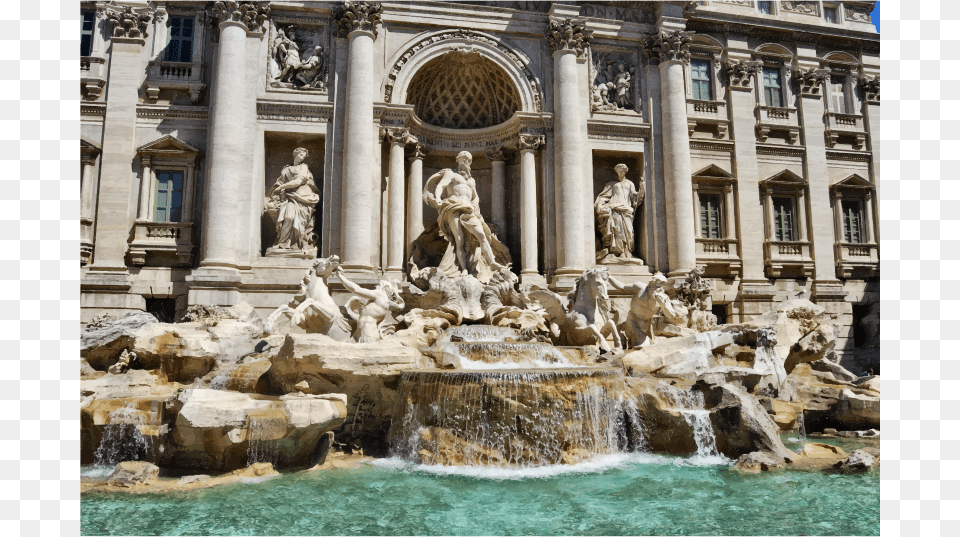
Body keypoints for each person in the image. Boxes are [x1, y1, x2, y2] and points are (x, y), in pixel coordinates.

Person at [424, 151, 504, 278]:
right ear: (458, 161)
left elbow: (475, 197)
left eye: (467, 161)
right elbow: (440, 186)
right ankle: (464, 269)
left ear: (470, 163)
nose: (464, 163)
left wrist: (475, 207)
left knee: (482, 235)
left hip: (469, 210)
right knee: (459, 240)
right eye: (462, 160)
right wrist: (438, 198)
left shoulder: (471, 181)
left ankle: (492, 262)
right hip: (453, 208)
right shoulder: (451, 174)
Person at [335, 266, 405, 343]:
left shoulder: (380, 294)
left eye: (379, 285)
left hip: (368, 331)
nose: (376, 286)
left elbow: (357, 289)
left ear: (385, 288)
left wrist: (340, 277)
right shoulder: (384, 302)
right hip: (361, 330)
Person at [268, 147, 319, 250]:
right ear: (295, 154)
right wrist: (277, 191)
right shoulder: (286, 169)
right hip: (289, 197)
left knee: (295, 220)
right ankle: (283, 243)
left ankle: (297, 244)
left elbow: (298, 182)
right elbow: (280, 181)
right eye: (301, 155)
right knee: (289, 217)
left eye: (304, 156)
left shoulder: (304, 167)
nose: (302, 157)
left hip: (302, 197)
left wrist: (281, 187)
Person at [595, 163, 643, 260]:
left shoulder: (630, 184)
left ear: (626, 171)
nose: (621, 172)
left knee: (629, 231)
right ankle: (618, 252)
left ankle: (627, 252)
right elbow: (604, 196)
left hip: (626, 210)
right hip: (615, 209)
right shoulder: (611, 184)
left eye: (623, 170)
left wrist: (642, 188)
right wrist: (600, 205)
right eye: (619, 170)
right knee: (617, 231)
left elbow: (635, 198)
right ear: (616, 171)